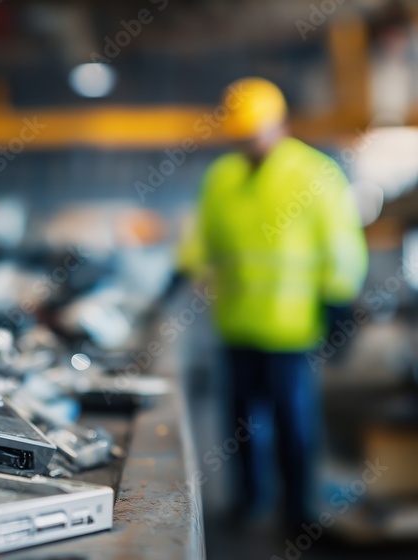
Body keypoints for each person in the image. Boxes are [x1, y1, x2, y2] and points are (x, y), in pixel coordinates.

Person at [178, 77, 368, 527]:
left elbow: (340, 243)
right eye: (242, 134)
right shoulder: (222, 177)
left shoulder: (314, 173)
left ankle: (297, 511)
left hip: (291, 330)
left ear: (280, 123)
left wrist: (339, 301)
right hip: (237, 324)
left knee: (294, 428)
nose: (249, 142)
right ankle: (248, 501)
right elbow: (202, 241)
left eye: (256, 132)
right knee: (239, 425)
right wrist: (178, 271)